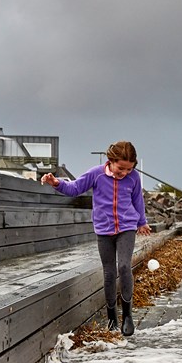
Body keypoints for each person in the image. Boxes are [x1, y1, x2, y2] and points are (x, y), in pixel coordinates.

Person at [41, 141, 152, 336]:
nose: (124, 173)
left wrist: (142, 222)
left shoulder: (134, 177)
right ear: (110, 161)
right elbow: (75, 188)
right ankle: (111, 318)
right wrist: (56, 183)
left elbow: (138, 200)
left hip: (127, 227)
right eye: (121, 168)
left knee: (124, 266)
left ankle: (127, 314)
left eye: (129, 169)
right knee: (109, 273)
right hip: (104, 230)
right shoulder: (96, 174)